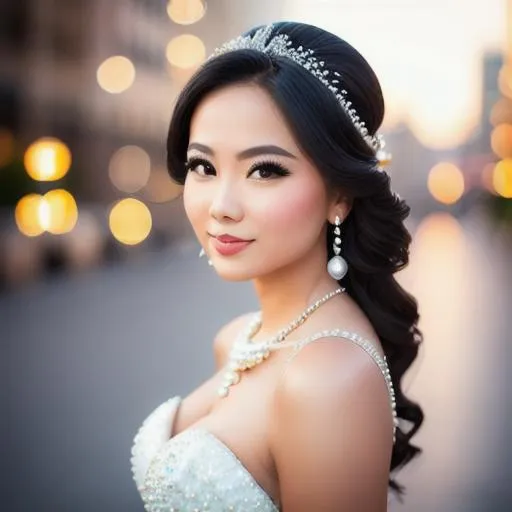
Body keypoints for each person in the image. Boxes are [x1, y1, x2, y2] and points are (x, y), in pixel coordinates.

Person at [131, 21, 423, 511]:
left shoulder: (329, 377)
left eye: (265, 170)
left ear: (340, 195)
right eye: (203, 166)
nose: (221, 205)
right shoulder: (239, 338)